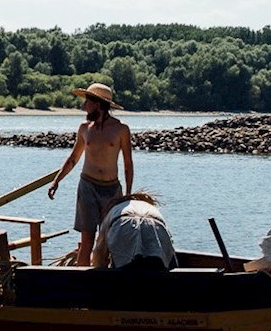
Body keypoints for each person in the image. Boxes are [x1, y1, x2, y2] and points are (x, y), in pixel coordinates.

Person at [47, 82, 134, 266]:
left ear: (98, 104)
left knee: (110, 239)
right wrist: (57, 181)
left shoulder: (121, 129)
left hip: (112, 189)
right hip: (87, 186)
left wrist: (128, 194)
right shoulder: (84, 129)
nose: (84, 106)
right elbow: (73, 159)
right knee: (87, 238)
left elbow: (128, 164)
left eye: (87, 102)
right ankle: (82, 283)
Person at [92, 191, 176, 270]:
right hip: (154, 223)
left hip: (123, 222)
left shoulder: (113, 211)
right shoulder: (150, 208)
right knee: (162, 263)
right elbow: (169, 247)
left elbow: (99, 252)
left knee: (123, 265)